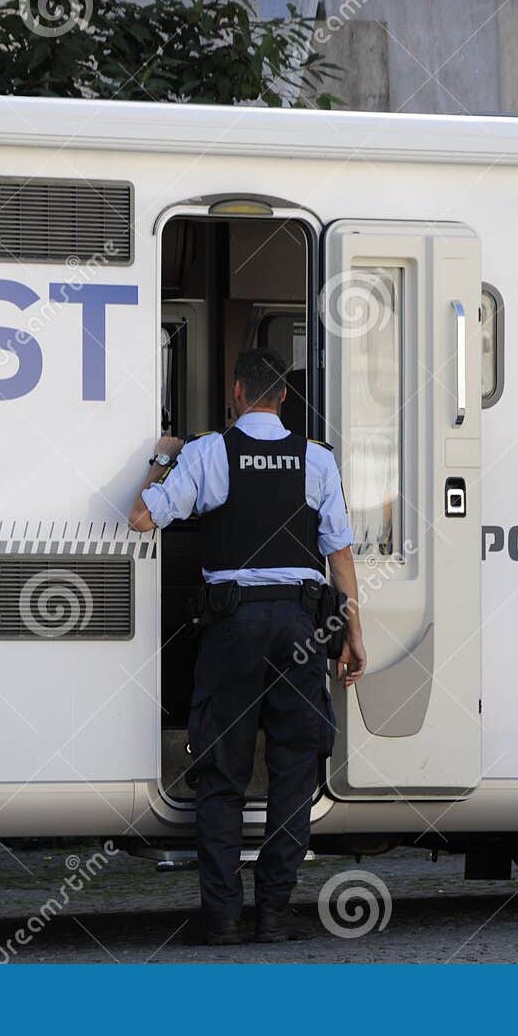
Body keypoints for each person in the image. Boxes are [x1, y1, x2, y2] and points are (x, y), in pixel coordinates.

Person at [128, 348, 366, 944]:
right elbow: (339, 554)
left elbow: (140, 519)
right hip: (302, 628)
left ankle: (220, 918)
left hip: (232, 629)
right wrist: (353, 635)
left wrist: (164, 455)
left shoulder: (209, 453)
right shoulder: (316, 460)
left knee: (222, 774)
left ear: (236, 392)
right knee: (293, 772)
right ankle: (276, 914)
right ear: (283, 395)